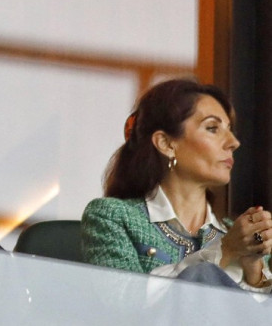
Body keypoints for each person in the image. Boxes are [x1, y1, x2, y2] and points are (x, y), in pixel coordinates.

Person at [81, 78, 272, 290]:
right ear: (166, 144)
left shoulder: (235, 234)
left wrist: (252, 268)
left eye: (229, 129)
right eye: (212, 128)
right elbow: (122, 305)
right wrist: (225, 252)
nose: (233, 142)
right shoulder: (112, 216)